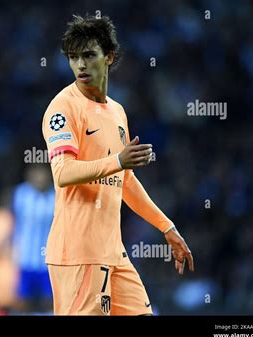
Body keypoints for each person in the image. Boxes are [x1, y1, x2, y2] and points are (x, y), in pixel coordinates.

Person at [41, 15, 194, 315]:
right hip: (79, 253)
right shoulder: (63, 108)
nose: (81, 65)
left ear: (109, 56)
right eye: (74, 58)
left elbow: (125, 181)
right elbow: (63, 173)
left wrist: (167, 226)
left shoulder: (117, 112)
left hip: (113, 253)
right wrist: (117, 160)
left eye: (88, 55)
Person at [11, 164, 55, 313]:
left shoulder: (55, 196)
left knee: (49, 300)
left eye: (43, 176)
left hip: (48, 261)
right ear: (30, 177)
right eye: (36, 176)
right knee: (22, 301)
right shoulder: (21, 194)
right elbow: (12, 220)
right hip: (25, 258)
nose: (40, 179)